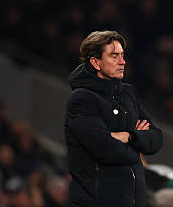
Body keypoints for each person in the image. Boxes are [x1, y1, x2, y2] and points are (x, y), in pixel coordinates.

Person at [65, 31, 163, 207]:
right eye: (114, 56)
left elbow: (156, 138)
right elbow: (105, 149)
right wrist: (138, 148)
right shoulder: (82, 99)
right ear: (95, 62)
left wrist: (129, 137)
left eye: (122, 55)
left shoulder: (128, 93)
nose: (123, 61)